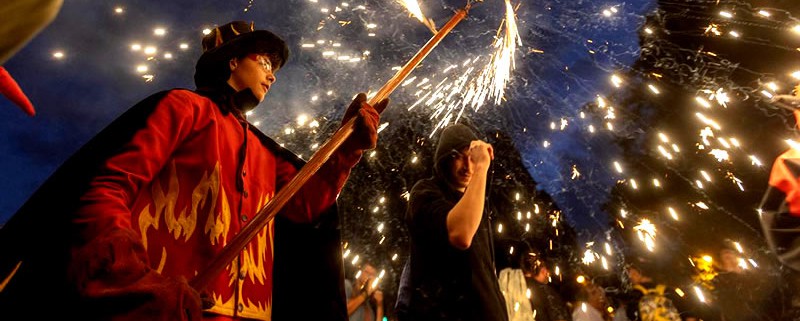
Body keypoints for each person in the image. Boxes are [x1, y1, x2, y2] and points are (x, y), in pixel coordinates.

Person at [0, 20, 387, 320]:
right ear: (233, 61)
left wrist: (346, 148)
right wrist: (134, 281)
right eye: (265, 62)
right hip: (159, 310)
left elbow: (308, 206)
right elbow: (108, 190)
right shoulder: (182, 108)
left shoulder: (263, 151)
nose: (272, 75)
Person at [402, 123, 508, 321]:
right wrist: (482, 168)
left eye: (472, 157)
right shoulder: (425, 191)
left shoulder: (477, 204)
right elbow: (461, 234)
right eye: (458, 156)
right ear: (443, 159)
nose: (468, 166)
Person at [523, 255, 571, 321]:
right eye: (543, 268)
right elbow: (558, 316)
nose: (547, 272)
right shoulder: (544, 291)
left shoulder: (520, 290)